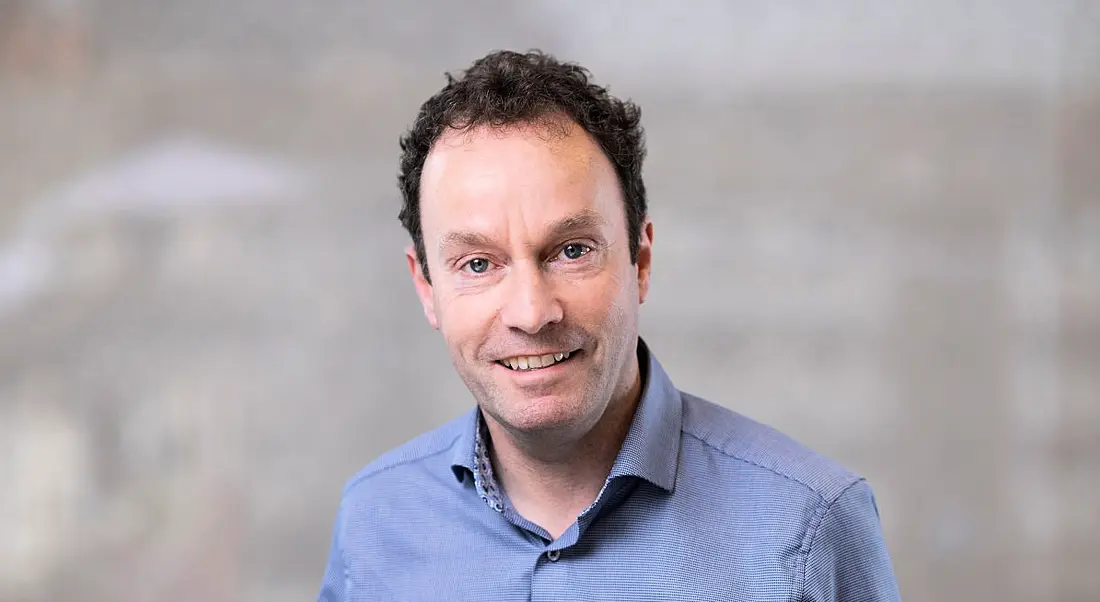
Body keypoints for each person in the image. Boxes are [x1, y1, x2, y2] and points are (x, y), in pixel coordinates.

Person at [317, 49, 901, 601]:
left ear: (639, 260)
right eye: (477, 263)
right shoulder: (374, 519)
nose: (530, 312)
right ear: (426, 288)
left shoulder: (810, 524)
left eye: (571, 251)